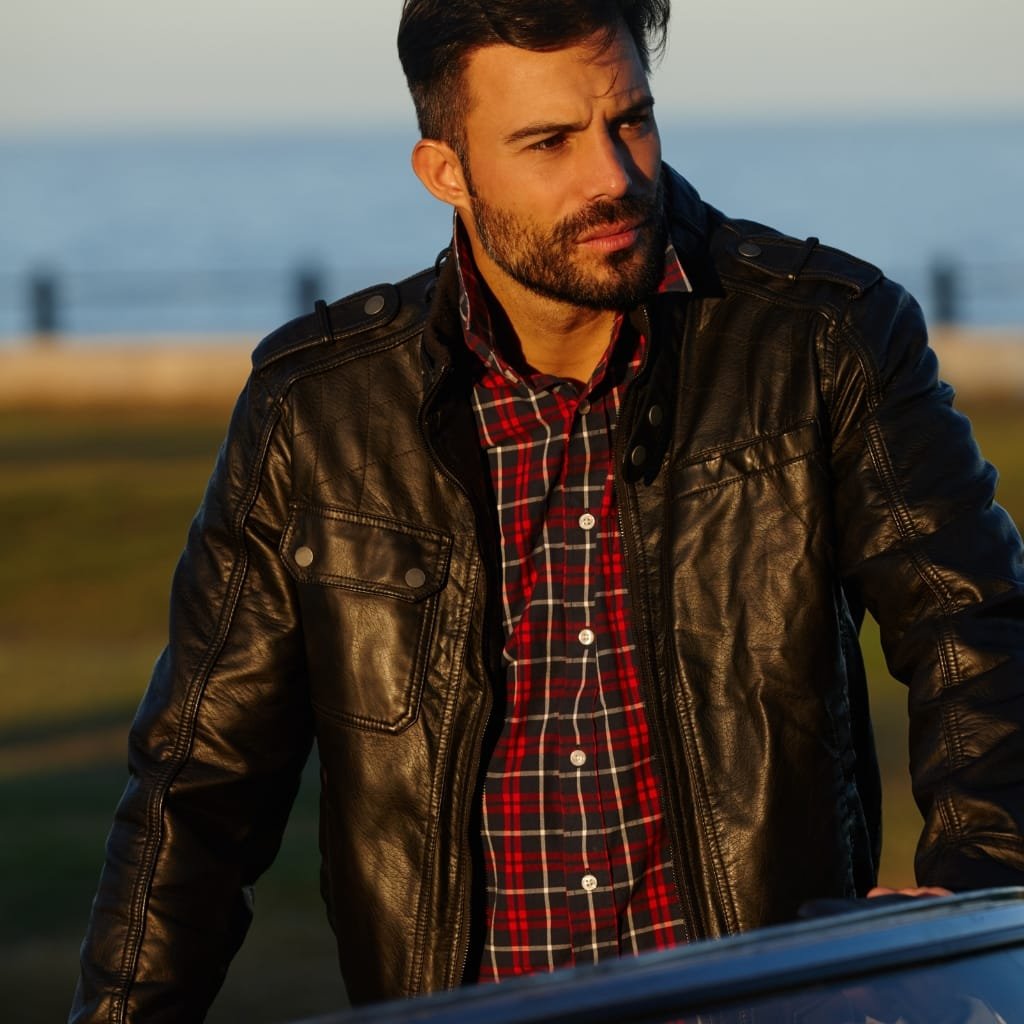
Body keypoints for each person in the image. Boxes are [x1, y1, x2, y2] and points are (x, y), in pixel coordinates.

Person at [72, 0, 1024, 1019]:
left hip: (756, 1000)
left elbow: (978, 626)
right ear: (446, 171)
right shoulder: (315, 411)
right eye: (549, 142)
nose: (612, 176)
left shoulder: (824, 338)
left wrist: (968, 898)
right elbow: (197, 784)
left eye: (630, 121)